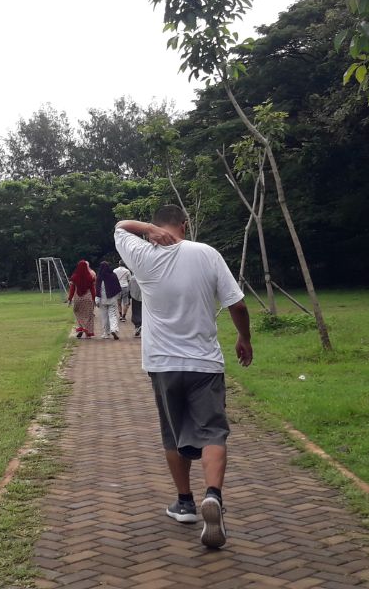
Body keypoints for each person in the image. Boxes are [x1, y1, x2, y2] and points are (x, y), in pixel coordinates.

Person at [114, 205, 252, 549]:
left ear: (155, 227)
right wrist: (244, 339)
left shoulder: (142, 256)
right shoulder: (207, 253)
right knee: (213, 432)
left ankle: (186, 503)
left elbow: (119, 226)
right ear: (184, 224)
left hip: (162, 363)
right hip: (205, 363)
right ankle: (214, 496)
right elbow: (238, 304)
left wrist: (145, 229)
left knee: (172, 435)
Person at [67, 260, 97, 338]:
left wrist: (70, 299)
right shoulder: (90, 277)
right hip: (88, 298)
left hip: (78, 298)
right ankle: (88, 332)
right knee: (89, 315)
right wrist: (94, 299)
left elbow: (72, 289)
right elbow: (93, 289)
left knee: (77, 313)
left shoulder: (74, 276)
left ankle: (81, 328)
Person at [95, 261, 123, 340]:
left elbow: (97, 289)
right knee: (113, 315)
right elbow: (118, 287)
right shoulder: (113, 275)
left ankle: (106, 333)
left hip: (102, 299)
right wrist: (118, 297)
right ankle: (113, 329)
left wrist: (97, 299)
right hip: (112, 298)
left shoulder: (99, 277)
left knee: (104, 317)